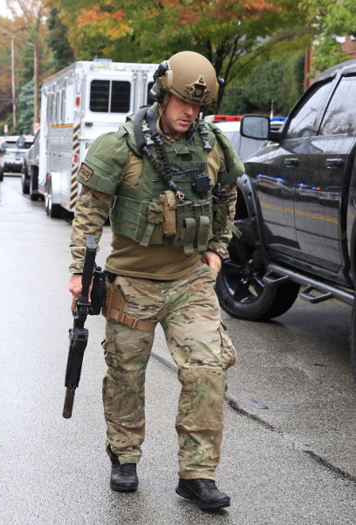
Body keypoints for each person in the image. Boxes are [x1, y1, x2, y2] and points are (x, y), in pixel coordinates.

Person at [68, 51, 243, 512]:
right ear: (162, 96)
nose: (190, 112)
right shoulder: (120, 145)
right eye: (181, 101)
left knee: (207, 371)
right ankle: (124, 457)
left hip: (190, 280)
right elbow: (89, 214)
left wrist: (217, 248)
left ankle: (198, 474)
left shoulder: (213, 146)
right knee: (126, 374)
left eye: (197, 106)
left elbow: (228, 196)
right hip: (132, 282)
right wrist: (79, 274)